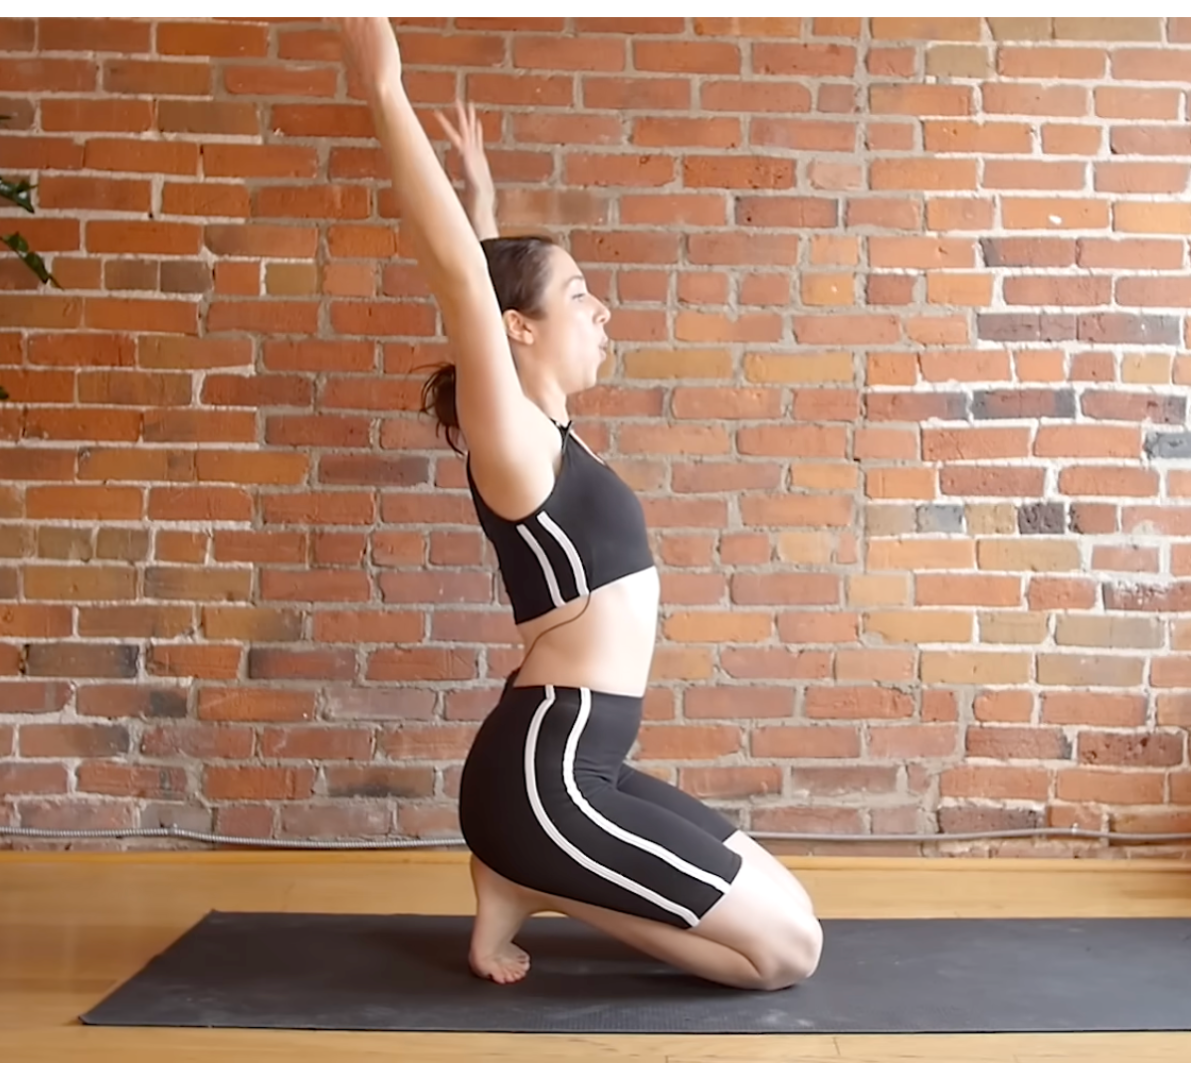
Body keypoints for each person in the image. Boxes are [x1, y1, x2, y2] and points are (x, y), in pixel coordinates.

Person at [334, 18, 823, 992]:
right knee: (783, 959)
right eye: (582, 296)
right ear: (518, 327)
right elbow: (460, 281)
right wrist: (384, 89)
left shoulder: (551, 436)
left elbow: (481, 278)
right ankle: (528, 875)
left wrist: (485, 206)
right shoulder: (512, 444)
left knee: (799, 911)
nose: (604, 313)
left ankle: (523, 879)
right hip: (542, 775)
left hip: (581, 765)